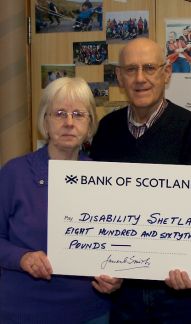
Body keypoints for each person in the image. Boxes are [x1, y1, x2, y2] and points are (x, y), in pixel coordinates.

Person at [89, 38, 191, 324]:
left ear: (166, 73)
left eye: (149, 68)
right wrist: (100, 266)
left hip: (181, 293)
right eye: (130, 69)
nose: (140, 78)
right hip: (124, 293)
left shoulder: (190, 128)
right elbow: (96, 208)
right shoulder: (107, 130)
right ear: (119, 77)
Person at [0, 77, 122, 323]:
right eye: (59, 113)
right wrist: (22, 258)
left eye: (78, 114)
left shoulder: (106, 180)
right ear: (44, 121)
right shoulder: (15, 173)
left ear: (90, 125)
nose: (69, 122)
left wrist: (118, 277)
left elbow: (117, 245)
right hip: (23, 312)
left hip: (90, 313)